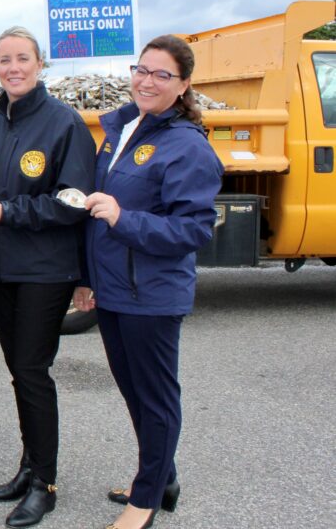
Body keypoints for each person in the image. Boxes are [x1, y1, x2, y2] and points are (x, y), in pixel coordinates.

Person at [72, 35, 222, 529]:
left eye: (163, 75)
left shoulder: (187, 146)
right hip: (115, 288)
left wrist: (122, 217)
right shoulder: (124, 128)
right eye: (143, 70)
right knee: (134, 392)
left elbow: (193, 229)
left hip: (151, 294)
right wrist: (89, 278)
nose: (148, 81)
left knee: (155, 397)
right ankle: (163, 478)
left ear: (183, 86)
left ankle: (147, 498)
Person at [0, 26, 96, 527]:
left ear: (41, 65)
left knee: (33, 371)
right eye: (4, 60)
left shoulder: (64, 124)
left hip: (45, 268)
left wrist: (11, 213)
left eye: (22, 58)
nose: (13, 67)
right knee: (20, 371)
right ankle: (28, 467)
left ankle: (46, 483)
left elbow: (73, 200)